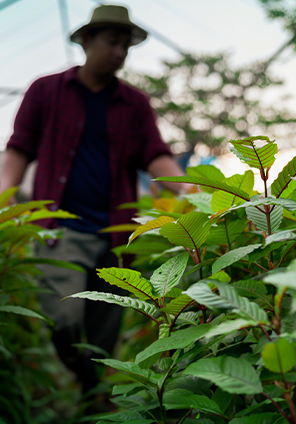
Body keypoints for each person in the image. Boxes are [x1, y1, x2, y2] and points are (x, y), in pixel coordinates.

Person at [0, 4, 187, 394]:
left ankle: (91, 398)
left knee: (106, 330)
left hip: (117, 236)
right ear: (86, 41)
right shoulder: (46, 91)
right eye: (111, 41)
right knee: (63, 318)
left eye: (125, 45)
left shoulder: (134, 104)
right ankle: (86, 381)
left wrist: (191, 191)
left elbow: (155, 155)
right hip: (61, 229)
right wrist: (5, 198)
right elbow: (19, 150)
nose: (119, 51)